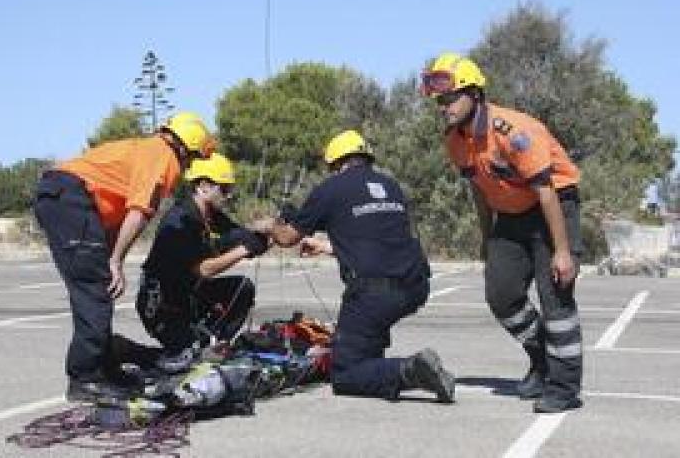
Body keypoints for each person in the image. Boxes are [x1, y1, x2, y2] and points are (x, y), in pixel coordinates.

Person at [422, 52, 583, 413]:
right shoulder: (455, 141)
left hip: (553, 207)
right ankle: (542, 361)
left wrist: (562, 252)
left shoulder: (512, 131)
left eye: (450, 98)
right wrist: (486, 238)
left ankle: (565, 387)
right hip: (511, 216)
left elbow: (546, 192)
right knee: (501, 294)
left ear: (474, 94)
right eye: (439, 101)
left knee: (555, 298)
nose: (444, 107)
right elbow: (479, 190)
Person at [33, 111, 215, 402]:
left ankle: (105, 369)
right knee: (94, 293)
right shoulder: (164, 158)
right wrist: (116, 261)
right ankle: (84, 378)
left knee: (97, 288)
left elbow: (114, 216)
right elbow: (139, 212)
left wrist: (108, 256)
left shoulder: (147, 149)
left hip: (66, 198)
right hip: (70, 199)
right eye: (192, 159)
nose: (189, 167)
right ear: (185, 148)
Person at [262, 130, 455, 402]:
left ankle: (411, 370)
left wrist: (267, 226)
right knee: (365, 348)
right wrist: (328, 247)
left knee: (346, 373)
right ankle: (380, 367)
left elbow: (286, 238)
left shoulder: (331, 188)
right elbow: (374, 238)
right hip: (415, 286)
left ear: (337, 163)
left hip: (374, 295)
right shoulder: (391, 186)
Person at [137, 152, 269, 374]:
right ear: (204, 186)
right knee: (187, 359)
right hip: (161, 306)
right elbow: (204, 270)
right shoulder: (180, 220)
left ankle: (215, 344)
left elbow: (241, 235)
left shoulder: (212, 216)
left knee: (242, 288)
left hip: (189, 296)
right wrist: (244, 250)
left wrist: (271, 232)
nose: (229, 195)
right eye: (224, 189)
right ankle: (128, 351)